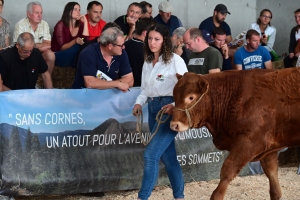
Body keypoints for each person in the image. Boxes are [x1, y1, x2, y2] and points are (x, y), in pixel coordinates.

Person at [132, 24, 186, 200]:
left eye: (157, 39)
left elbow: (186, 88)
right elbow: (144, 90)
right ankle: (179, 197)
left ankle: (143, 197)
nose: (152, 42)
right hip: (153, 108)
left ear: (165, 41)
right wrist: (138, 103)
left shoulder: (175, 61)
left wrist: (174, 105)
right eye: (150, 39)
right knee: (169, 159)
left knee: (150, 155)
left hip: (169, 110)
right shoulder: (148, 62)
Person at [13, 1, 55, 74]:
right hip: (24, 53)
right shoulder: (20, 25)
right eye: (37, 13)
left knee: (51, 55)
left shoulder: (44, 24)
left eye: (41, 13)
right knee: (27, 55)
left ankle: (45, 80)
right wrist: (39, 47)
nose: (40, 15)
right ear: (29, 14)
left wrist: (31, 45)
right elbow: (20, 46)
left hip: (40, 53)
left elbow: (48, 44)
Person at [51, 2, 89, 67]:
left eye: (79, 10)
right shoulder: (60, 25)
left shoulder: (80, 25)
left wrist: (85, 22)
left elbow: (85, 41)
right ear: (69, 11)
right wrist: (75, 41)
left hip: (73, 57)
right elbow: (62, 48)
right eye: (75, 9)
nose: (78, 12)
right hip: (60, 56)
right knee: (78, 46)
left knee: (84, 47)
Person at [124, 18, 156, 87]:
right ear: (145, 33)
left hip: (125, 89)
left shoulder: (123, 45)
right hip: (143, 90)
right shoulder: (148, 50)